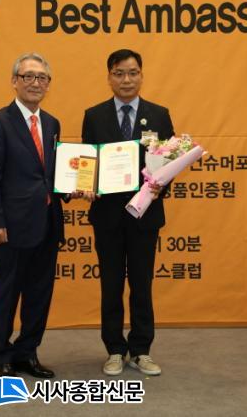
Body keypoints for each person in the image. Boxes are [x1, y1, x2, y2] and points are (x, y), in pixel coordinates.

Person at [81, 49, 174, 376]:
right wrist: (86, 183)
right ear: (109, 77)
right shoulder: (94, 116)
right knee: (110, 285)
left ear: (141, 76)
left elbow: (168, 161)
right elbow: (88, 162)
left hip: (144, 215)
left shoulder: (159, 115)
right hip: (107, 215)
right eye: (119, 73)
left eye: (133, 73)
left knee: (141, 283)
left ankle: (141, 350)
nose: (126, 79)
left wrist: (161, 184)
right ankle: (114, 350)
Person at [0, 52, 64, 379]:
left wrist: (76, 187)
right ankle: (2, 356)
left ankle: (27, 352)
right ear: (15, 81)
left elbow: (51, 175)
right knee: (6, 293)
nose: (35, 83)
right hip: (11, 227)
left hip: (48, 223)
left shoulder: (52, 123)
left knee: (39, 294)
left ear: (48, 84)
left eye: (41, 77)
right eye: (28, 76)